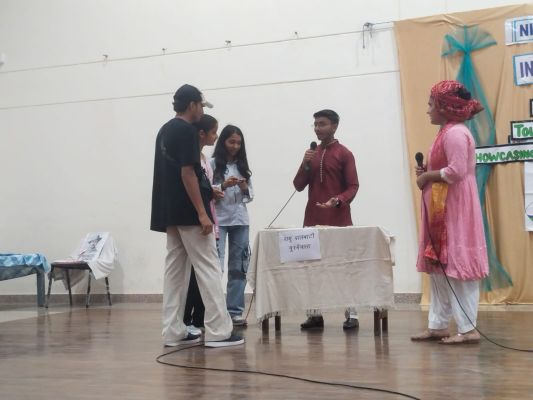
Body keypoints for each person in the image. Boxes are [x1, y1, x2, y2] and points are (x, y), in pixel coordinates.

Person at [150, 84, 243, 348]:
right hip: (190, 212)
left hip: (170, 211)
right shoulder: (187, 131)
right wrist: (203, 213)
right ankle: (218, 331)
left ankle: (172, 330)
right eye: (201, 105)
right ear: (192, 105)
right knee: (209, 267)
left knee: (175, 271)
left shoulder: (164, 130)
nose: (202, 111)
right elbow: (187, 173)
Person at [410, 80, 488, 345]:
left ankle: (468, 329)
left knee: (457, 266)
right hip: (441, 206)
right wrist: (428, 172)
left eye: (431, 104)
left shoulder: (455, 133)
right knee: (439, 267)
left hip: (455, 207)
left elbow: (456, 171)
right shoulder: (445, 132)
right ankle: (438, 326)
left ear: (444, 107)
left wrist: (427, 176)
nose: (427, 110)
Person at [293, 109, 360, 330]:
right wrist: (305, 163)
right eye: (315, 124)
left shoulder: (345, 154)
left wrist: (338, 200)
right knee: (312, 269)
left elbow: (353, 186)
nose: (317, 128)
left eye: (322, 124)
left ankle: (351, 314)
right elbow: (298, 185)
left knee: (344, 267)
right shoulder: (312, 154)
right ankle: (314, 315)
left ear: (334, 126)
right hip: (313, 219)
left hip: (338, 219)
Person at [182, 114, 224, 336]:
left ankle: (200, 319)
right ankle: (187, 320)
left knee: (205, 273)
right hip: (199, 219)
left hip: (210, 216)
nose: (216, 136)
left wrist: (213, 191)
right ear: (201, 133)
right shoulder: (191, 159)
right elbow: (192, 186)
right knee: (196, 273)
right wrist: (201, 213)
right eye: (213, 132)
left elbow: (203, 187)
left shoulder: (204, 158)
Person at [211, 125, 253, 327]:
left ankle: (234, 311)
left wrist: (244, 187)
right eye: (231, 142)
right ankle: (214, 311)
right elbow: (206, 192)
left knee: (238, 267)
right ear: (223, 142)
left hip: (240, 221)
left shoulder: (242, 166)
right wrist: (223, 185)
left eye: (238, 143)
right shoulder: (212, 164)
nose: (235, 146)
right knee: (215, 266)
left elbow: (250, 196)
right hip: (218, 220)